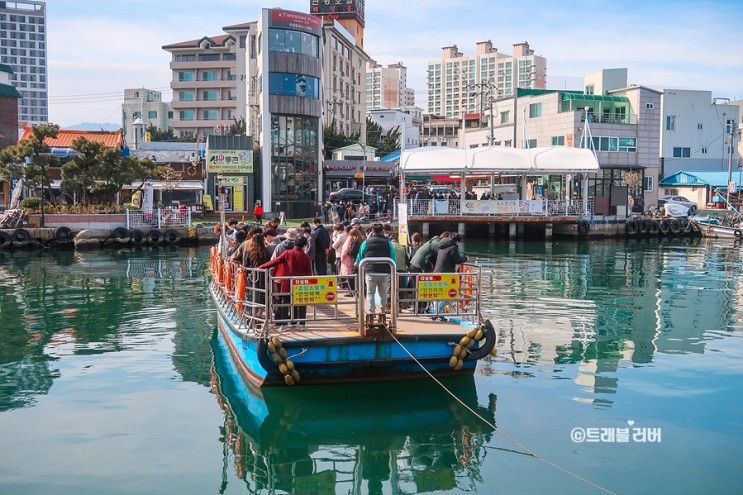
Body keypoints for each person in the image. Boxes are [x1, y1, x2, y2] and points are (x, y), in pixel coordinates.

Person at [259, 235, 313, 325]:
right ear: (304, 245)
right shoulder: (306, 257)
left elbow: (274, 261)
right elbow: (309, 273)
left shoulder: (287, 253)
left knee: (285, 303)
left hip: (285, 283)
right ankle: (300, 323)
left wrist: (261, 267)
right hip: (300, 284)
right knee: (301, 303)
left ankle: (283, 324)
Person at [355, 224, 396, 315]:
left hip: (370, 272)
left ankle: (371, 312)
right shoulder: (388, 242)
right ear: (382, 231)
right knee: (383, 293)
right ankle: (382, 311)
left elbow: (360, 256)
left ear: (372, 232)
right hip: (385, 272)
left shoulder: (366, 242)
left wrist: (360, 264)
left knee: (370, 293)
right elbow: (393, 257)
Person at [432, 234, 468, 320]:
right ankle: (436, 312)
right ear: (457, 241)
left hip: (436, 272)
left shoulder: (442, 246)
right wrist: (465, 258)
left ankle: (438, 314)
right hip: (445, 274)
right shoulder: (452, 248)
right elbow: (458, 260)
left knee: (437, 294)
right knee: (449, 295)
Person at [340, 227, 363, 293]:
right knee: (358, 277)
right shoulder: (361, 240)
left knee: (352, 277)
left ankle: (352, 292)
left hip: (354, 261)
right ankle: (357, 291)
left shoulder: (355, 242)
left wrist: (348, 251)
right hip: (360, 260)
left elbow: (352, 252)